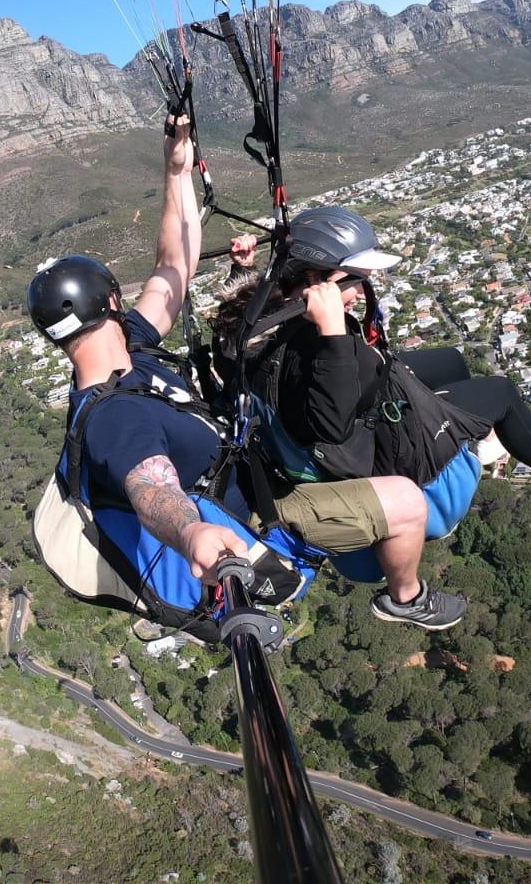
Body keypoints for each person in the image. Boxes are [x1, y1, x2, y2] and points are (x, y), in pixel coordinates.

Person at [27, 122, 468, 630]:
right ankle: (408, 599)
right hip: (263, 520)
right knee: (407, 502)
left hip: (257, 468)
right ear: (111, 301)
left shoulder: (134, 351)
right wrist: (191, 534)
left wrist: (176, 172)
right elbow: (151, 490)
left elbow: (174, 265)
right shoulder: (115, 415)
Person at [214, 208, 531, 526]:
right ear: (317, 279)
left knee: (452, 361)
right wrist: (334, 332)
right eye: (356, 280)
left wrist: (242, 273)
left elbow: (231, 341)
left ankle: (485, 440)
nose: (361, 292)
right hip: (379, 446)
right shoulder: (315, 341)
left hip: (368, 390)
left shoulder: (269, 316)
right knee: (501, 393)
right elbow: (331, 427)